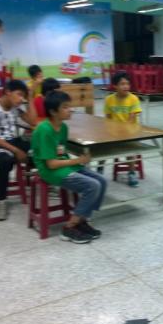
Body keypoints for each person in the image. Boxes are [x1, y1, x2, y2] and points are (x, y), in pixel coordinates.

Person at [31, 90, 105, 244]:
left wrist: (79, 158)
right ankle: (69, 227)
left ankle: (82, 220)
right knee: (93, 185)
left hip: (63, 165)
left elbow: (61, 152)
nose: (70, 110)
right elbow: (51, 164)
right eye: (65, 107)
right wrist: (78, 160)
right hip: (50, 171)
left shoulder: (63, 127)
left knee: (102, 181)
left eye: (69, 106)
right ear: (53, 111)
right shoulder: (44, 130)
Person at [0, 79, 37, 221]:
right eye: (19, 94)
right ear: (7, 92)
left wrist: (30, 98)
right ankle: (2, 201)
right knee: (5, 160)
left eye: (23, 96)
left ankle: (43, 181)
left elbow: (32, 121)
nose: (21, 99)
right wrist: (16, 151)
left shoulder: (14, 108)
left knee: (38, 149)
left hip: (10, 141)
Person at [104, 71, 143, 187]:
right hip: (113, 132)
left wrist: (122, 133)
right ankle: (100, 169)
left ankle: (131, 172)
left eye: (127, 84)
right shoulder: (109, 99)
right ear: (115, 86)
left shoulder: (133, 99)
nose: (126, 86)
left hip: (130, 132)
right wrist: (110, 132)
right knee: (100, 146)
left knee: (129, 148)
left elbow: (131, 119)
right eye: (122, 84)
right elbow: (108, 118)